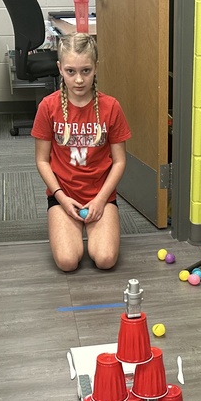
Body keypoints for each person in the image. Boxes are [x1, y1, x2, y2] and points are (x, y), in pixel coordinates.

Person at [32, 33, 130, 272]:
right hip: (63, 194)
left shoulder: (111, 107)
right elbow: (42, 160)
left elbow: (119, 162)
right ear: (60, 69)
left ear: (96, 68)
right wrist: (61, 198)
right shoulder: (48, 106)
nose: (78, 80)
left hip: (101, 196)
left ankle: (96, 224)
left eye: (86, 70)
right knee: (67, 261)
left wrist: (100, 200)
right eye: (70, 71)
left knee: (105, 259)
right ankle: (67, 228)